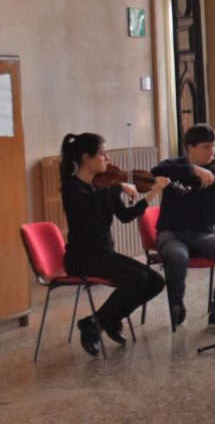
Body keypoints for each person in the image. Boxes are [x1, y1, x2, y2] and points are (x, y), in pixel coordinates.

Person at [60, 133, 168, 356]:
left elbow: (126, 216)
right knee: (137, 278)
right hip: (82, 258)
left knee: (155, 281)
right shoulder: (71, 187)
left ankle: (108, 319)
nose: (107, 158)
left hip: (103, 255)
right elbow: (86, 204)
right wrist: (118, 188)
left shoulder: (103, 185)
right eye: (101, 154)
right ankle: (94, 323)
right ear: (86, 157)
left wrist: (152, 195)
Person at [151, 124, 215, 329]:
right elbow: (156, 170)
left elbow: (211, 217)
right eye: (206, 147)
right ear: (190, 147)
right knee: (178, 256)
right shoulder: (174, 166)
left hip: (201, 234)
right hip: (171, 233)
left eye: (214, 146)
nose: (212, 152)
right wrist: (192, 169)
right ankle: (177, 303)